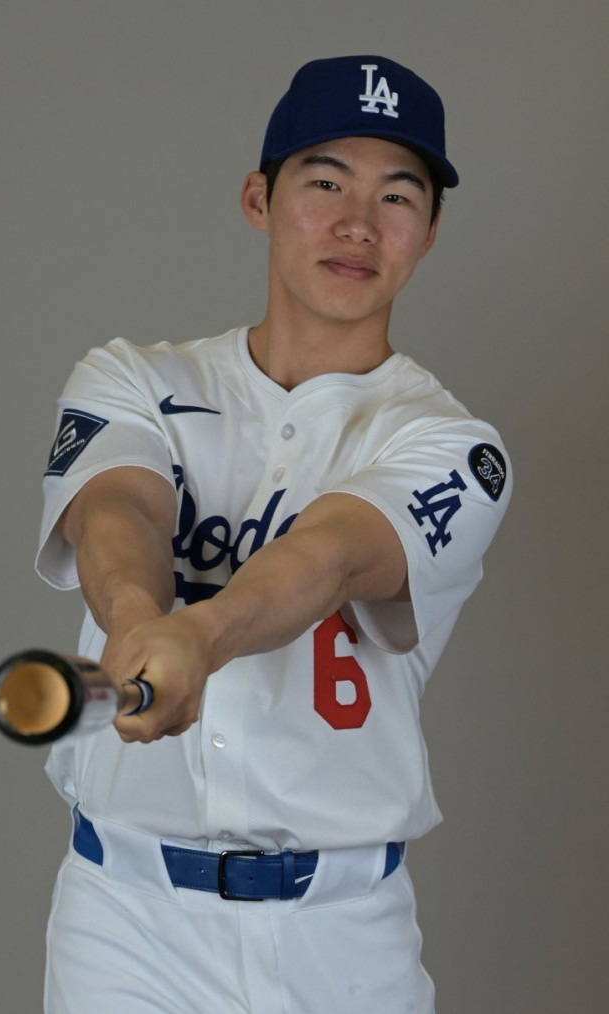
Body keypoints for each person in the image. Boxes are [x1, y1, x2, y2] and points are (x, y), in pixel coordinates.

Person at [36, 55, 511, 1014]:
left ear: (429, 230)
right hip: (126, 920)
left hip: (341, 935)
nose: (356, 224)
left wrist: (197, 635)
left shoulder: (454, 445)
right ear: (259, 196)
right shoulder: (130, 377)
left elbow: (331, 552)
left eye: (397, 196)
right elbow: (118, 511)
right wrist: (137, 614)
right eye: (326, 181)